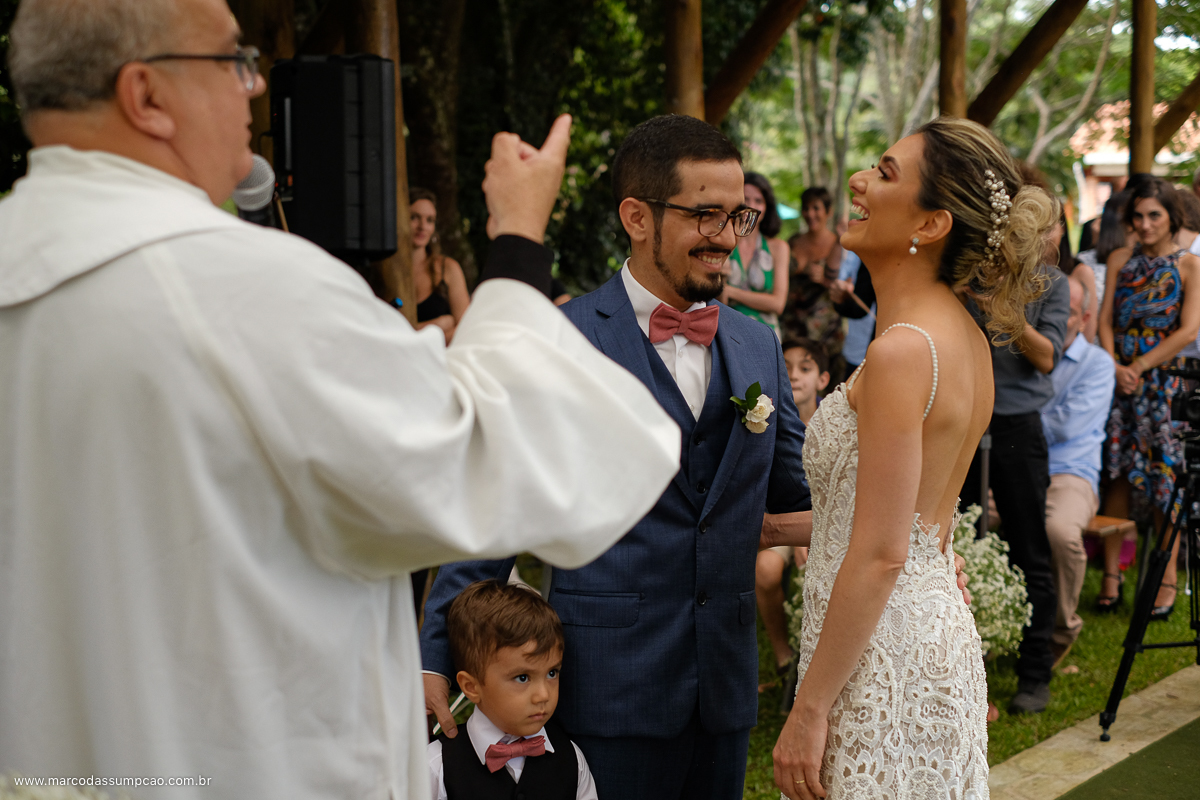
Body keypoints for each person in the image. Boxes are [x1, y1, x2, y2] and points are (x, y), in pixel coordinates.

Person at [0, 2, 684, 797]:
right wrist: (520, 239)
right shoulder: (245, 288)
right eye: (233, 63)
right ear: (147, 96)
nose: (253, 90)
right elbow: (504, 463)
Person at [421, 114, 811, 800]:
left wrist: (909, 529)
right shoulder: (562, 338)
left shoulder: (759, 347)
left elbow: (795, 495)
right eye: (707, 215)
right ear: (637, 216)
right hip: (609, 685)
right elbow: (493, 500)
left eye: (739, 217)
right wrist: (431, 657)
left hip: (723, 692)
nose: (727, 239)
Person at [771, 116, 1058, 799]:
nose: (859, 181)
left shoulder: (903, 352)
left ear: (930, 225)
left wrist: (808, 709)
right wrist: (771, 531)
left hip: (878, 656)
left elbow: (881, 551)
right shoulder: (963, 336)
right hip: (924, 635)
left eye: (886, 173)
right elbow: (907, 520)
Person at [1096, 177, 1200, 619]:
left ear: (1172, 217)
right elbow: (1104, 322)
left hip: (1163, 385)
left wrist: (1140, 367)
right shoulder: (1120, 259)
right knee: (1116, 474)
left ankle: (1166, 580)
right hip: (1122, 381)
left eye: (1153, 215)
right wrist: (1115, 365)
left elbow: (1189, 330)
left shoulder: (1191, 266)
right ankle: (1112, 577)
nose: (1144, 223)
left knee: (1163, 478)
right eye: (1137, 216)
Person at [427, 580, 598, 800]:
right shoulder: (436, 766)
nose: (543, 695)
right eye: (523, 677)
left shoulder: (572, 759)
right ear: (471, 687)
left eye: (552, 673)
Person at [1041, 275, 1115, 665]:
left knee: (1058, 531)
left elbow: (1066, 427)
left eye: (1065, 313)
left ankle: (1061, 629)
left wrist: (1019, 417)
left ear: (1085, 318)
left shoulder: (1098, 364)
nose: (1054, 319)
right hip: (1022, 466)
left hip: (1071, 474)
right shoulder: (1028, 352)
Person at [755, 338, 829, 691]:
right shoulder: (764, 418)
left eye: (805, 368)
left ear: (823, 379)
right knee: (767, 569)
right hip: (780, 519)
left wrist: (808, 531)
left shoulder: (832, 422)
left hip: (825, 520)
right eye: (787, 367)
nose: (794, 376)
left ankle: (821, 661)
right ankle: (785, 656)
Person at [784, 187, 845, 381]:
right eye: (806, 208)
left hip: (826, 328)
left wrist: (826, 280)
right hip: (793, 325)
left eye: (816, 208)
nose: (810, 214)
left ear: (828, 211)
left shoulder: (840, 244)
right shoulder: (792, 242)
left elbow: (849, 286)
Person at [721, 171, 789, 338]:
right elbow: (715, 301)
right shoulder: (722, 240)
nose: (751, 205)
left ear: (767, 207)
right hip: (727, 332)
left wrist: (731, 292)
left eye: (758, 201)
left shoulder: (778, 247)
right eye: (745, 199)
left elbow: (778, 304)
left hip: (765, 336)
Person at [410, 187, 470, 344]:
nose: (422, 226)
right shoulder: (384, 270)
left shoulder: (448, 269)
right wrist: (438, 325)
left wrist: (414, 336)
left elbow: (466, 329)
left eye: (430, 220)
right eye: (414, 218)